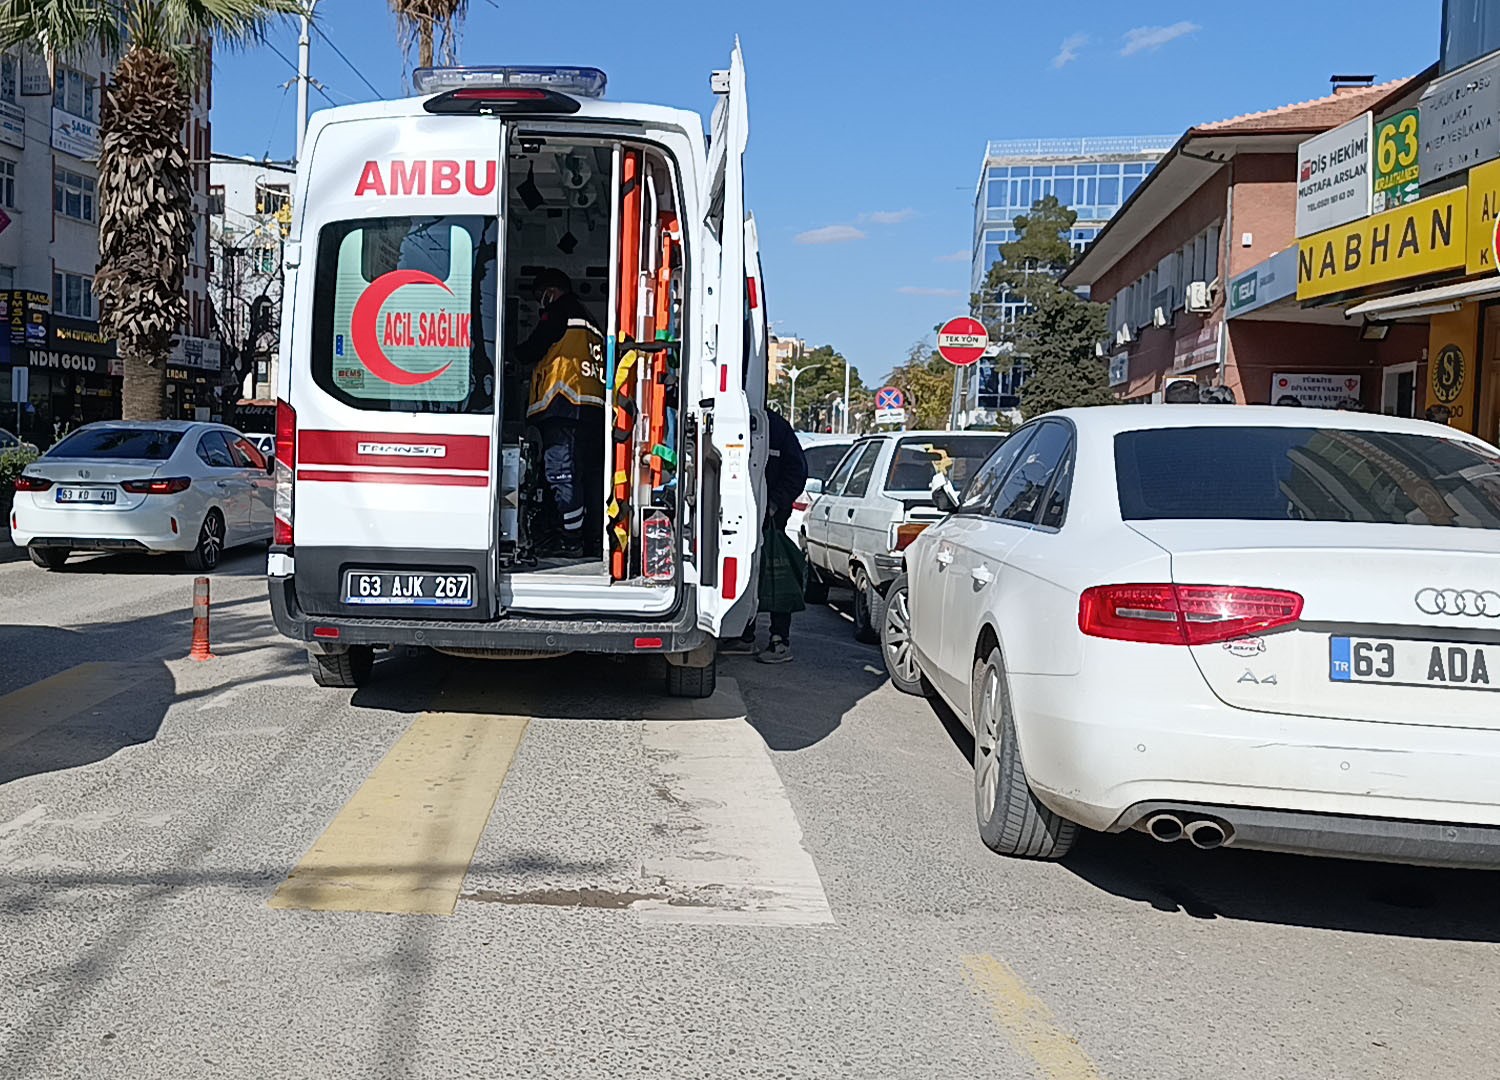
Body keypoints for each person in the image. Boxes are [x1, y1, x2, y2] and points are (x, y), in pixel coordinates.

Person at [517, 269, 606, 557]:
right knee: (589, 478)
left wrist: (508, 354)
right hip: (591, 411)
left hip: (563, 404)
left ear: (551, 292)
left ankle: (570, 541)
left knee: (561, 475)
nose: (540, 304)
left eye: (540, 298)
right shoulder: (591, 321)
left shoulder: (559, 312)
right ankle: (591, 539)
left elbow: (532, 349)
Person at [723, 408, 809, 664]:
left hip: (771, 520)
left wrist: (774, 503)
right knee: (746, 575)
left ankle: (779, 640)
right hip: (740, 517)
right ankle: (745, 634)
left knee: (774, 573)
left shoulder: (776, 427)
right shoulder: (733, 418)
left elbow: (797, 472)